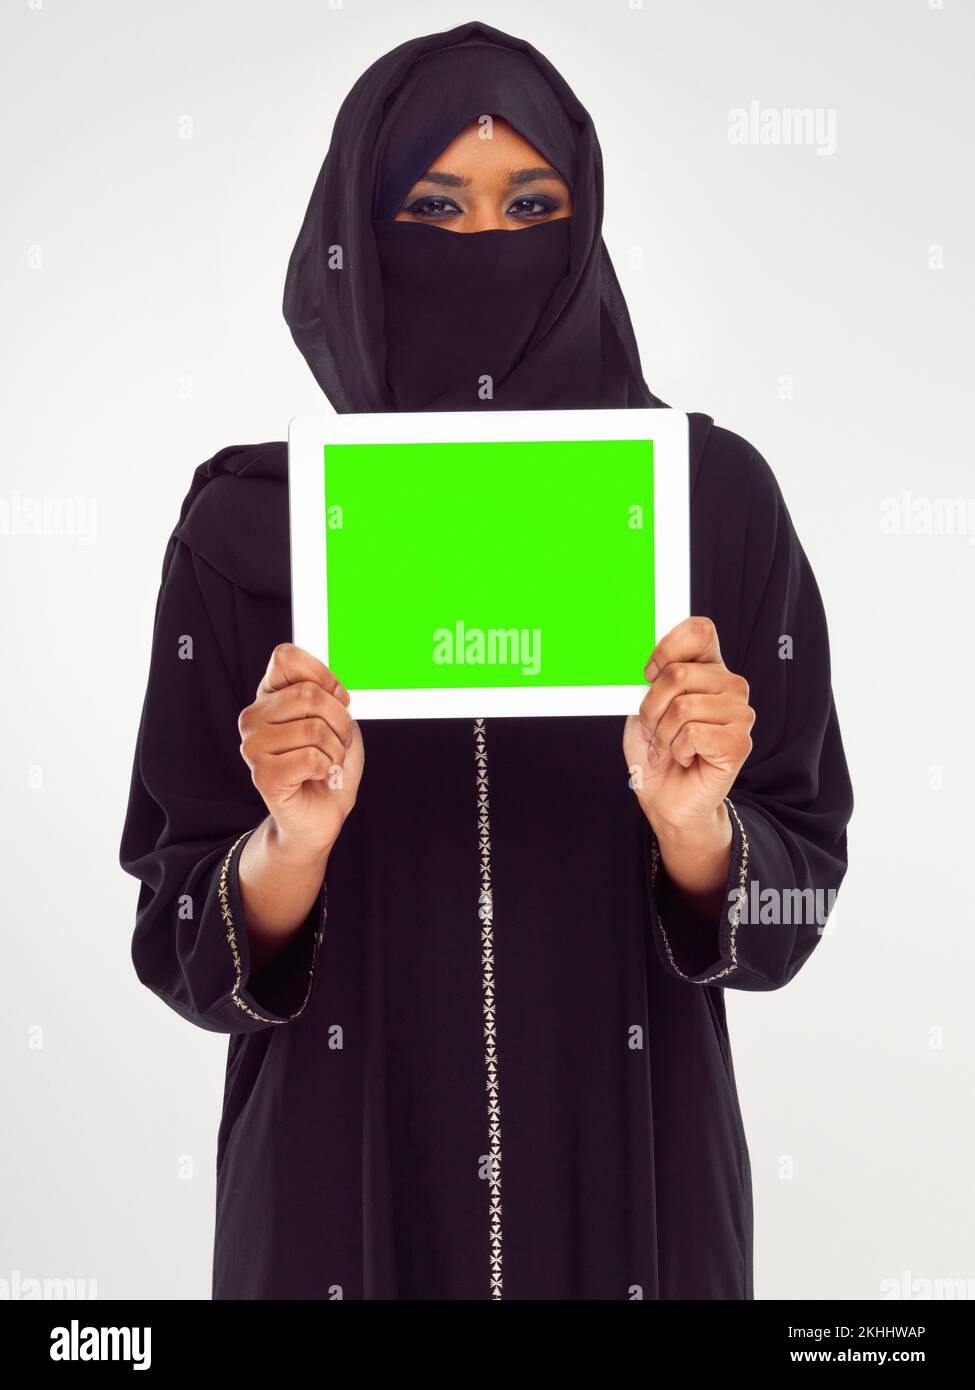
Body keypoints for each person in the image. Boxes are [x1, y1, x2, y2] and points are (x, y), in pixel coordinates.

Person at [119, 19, 853, 1300]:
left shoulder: (710, 504)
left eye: (529, 204)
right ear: (358, 227)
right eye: (433, 205)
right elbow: (179, 928)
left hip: (635, 1187)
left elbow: (798, 893)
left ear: (583, 228)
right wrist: (286, 845)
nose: (482, 243)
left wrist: (697, 827)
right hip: (336, 1199)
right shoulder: (249, 529)